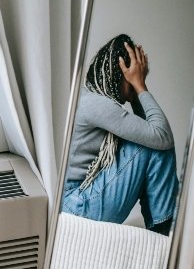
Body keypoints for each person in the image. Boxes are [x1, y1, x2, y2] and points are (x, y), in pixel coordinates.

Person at [62, 33, 177, 235]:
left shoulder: (90, 97)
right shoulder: (97, 105)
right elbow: (161, 135)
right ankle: (164, 229)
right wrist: (140, 87)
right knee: (156, 145)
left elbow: (152, 132)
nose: (136, 81)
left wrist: (136, 91)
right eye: (133, 76)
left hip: (75, 202)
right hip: (76, 206)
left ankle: (163, 228)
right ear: (120, 73)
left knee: (153, 141)